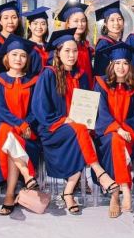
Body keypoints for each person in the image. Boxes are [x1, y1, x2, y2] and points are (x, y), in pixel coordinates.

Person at [32, 29, 119, 217]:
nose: (71, 55)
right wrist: (63, 119)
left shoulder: (82, 75)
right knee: (80, 132)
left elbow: (87, 104)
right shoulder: (48, 74)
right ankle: (99, 172)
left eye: (74, 51)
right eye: (67, 51)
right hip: (52, 129)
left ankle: (68, 191)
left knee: (82, 133)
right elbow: (40, 108)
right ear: (58, 53)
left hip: (77, 129)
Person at [0, 35, 41, 216]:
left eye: (23, 55)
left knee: (10, 137)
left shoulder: (33, 81)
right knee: (7, 131)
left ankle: (9, 195)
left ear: (27, 59)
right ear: (7, 57)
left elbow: (36, 108)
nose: (18, 59)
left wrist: (27, 124)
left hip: (28, 130)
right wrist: (21, 124)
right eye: (14, 55)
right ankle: (26, 175)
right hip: (7, 126)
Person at [93, 42, 134, 218]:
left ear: (130, 65)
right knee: (115, 139)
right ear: (111, 64)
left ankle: (115, 194)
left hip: (130, 134)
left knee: (118, 140)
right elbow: (101, 112)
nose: (121, 67)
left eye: (125, 63)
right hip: (106, 134)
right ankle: (124, 188)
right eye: (117, 63)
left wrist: (123, 130)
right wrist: (117, 129)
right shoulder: (100, 84)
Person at [57, 0, 94, 85]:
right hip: (68, 86)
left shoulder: (86, 46)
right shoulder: (61, 46)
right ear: (68, 24)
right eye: (76, 21)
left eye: (83, 20)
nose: (80, 24)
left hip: (86, 88)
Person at [94, 1, 125, 77]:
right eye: (112, 20)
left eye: (119, 19)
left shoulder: (119, 42)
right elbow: (101, 72)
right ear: (105, 24)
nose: (116, 23)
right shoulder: (103, 44)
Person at [23, 7, 51, 77]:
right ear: (29, 26)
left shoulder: (50, 47)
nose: (39, 27)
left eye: (43, 24)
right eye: (35, 23)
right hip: (32, 82)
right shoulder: (25, 46)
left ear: (47, 26)